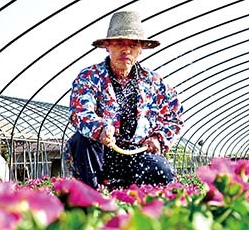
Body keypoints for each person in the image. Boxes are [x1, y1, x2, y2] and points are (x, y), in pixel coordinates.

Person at [65, 10, 183, 189]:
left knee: (162, 171)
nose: (126, 50)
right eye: (119, 43)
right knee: (81, 142)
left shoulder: (154, 82)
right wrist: (101, 129)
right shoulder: (89, 77)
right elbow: (80, 111)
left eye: (133, 44)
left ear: (141, 49)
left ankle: (153, 210)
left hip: (137, 153)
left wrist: (158, 138)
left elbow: (174, 116)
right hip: (101, 153)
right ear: (107, 45)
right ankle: (92, 203)